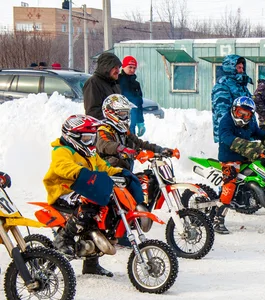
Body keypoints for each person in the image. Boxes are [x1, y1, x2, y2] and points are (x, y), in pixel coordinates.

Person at [42, 114, 139, 277]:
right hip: (63, 191)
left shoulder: (90, 154)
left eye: (92, 138)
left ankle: (91, 264)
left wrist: (121, 173)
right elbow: (63, 167)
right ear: (73, 137)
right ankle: (63, 239)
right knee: (87, 207)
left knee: (104, 213)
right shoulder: (62, 151)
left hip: (84, 187)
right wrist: (83, 173)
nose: (90, 143)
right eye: (87, 138)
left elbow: (104, 167)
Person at [214, 96, 265, 234]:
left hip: (246, 156)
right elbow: (228, 139)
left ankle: (253, 196)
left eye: (248, 114)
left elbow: (258, 132)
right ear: (234, 110)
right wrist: (251, 147)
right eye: (241, 113)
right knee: (230, 183)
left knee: (264, 166)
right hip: (230, 158)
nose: (244, 117)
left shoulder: (250, 122)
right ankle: (218, 219)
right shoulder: (226, 121)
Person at [96, 94, 173, 170]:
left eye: (126, 113)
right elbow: (105, 145)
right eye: (122, 113)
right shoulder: (103, 129)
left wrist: (159, 149)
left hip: (122, 170)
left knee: (147, 179)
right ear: (110, 112)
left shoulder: (123, 130)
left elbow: (138, 143)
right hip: (107, 171)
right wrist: (124, 150)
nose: (125, 116)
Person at [211, 55, 253, 143]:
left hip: (244, 134)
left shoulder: (241, 86)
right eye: (238, 67)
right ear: (230, 68)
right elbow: (222, 113)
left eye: (242, 67)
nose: (242, 70)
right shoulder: (222, 85)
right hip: (231, 137)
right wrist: (231, 137)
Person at [83, 52, 122, 120]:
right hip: (102, 128)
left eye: (118, 68)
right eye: (115, 68)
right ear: (106, 67)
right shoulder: (93, 83)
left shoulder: (114, 84)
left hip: (116, 127)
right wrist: (111, 119)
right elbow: (92, 112)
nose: (118, 71)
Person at [118, 56, 146, 137]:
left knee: (132, 143)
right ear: (123, 67)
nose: (132, 70)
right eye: (130, 67)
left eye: (134, 68)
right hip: (121, 119)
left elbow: (139, 103)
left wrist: (140, 121)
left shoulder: (136, 84)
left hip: (133, 120)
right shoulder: (117, 81)